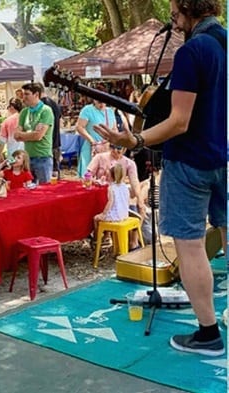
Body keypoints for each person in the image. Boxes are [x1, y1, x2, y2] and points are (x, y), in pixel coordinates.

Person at [94, 0, 226, 357]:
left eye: (174, 12)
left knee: (191, 246)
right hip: (225, 159)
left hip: (191, 162)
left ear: (186, 7)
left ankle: (209, 334)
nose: (173, 18)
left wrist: (134, 140)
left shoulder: (192, 51)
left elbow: (179, 121)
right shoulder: (225, 42)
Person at [14, 82, 54, 184]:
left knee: (44, 192)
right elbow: (16, 135)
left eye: (27, 94)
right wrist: (32, 134)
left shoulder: (46, 111)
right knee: (29, 192)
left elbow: (38, 136)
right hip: (27, 158)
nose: (24, 97)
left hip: (43, 158)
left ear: (36, 94)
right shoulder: (24, 112)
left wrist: (24, 135)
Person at [75, 90, 116, 177]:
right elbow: (79, 127)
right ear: (94, 100)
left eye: (104, 102)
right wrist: (92, 141)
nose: (101, 105)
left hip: (106, 148)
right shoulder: (87, 110)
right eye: (99, 102)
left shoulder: (110, 112)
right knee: (88, 176)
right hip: (91, 147)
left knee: (106, 176)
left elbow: (114, 129)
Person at [93, 164, 129, 238]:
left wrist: (103, 214)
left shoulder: (111, 188)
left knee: (95, 218)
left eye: (108, 176)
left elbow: (110, 202)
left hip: (115, 216)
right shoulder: (124, 186)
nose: (107, 178)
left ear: (112, 177)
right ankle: (105, 237)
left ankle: (97, 238)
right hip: (125, 214)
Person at [40, 91, 62, 179]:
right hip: (56, 141)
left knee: (47, 173)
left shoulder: (42, 106)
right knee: (55, 169)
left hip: (45, 143)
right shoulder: (56, 105)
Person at [0, 97, 23, 162]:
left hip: (12, 155)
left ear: (11, 107)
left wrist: (0, 154)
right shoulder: (27, 118)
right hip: (26, 155)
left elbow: (1, 141)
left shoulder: (7, 121)